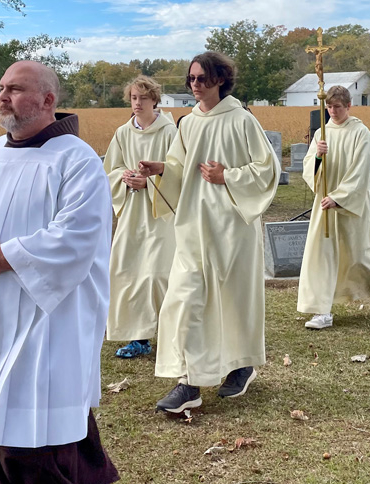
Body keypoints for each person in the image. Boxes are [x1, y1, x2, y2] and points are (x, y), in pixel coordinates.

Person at [0, 61, 118, 484]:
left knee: (39, 438)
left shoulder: (77, 160)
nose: (2, 96)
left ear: (48, 101)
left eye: (15, 88)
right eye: (1, 87)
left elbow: (79, 236)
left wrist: (6, 256)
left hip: (43, 321)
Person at [137, 52, 280, 413]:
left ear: (220, 79)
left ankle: (241, 363)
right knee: (183, 300)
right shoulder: (188, 124)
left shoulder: (242, 120)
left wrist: (227, 176)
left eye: (201, 78)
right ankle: (190, 382)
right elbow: (179, 167)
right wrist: (160, 168)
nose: (195, 85)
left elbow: (267, 170)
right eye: (191, 79)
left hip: (231, 226)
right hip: (193, 226)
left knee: (232, 300)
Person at [297, 85, 370, 329]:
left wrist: (339, 198)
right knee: (321, 257)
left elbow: (361, 171)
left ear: (348, 106)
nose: (332, 111)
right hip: (324, 205)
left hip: (350, 205)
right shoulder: (321, 134)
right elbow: (309, 168)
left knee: (358, 256)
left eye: (337, 106)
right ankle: (322, 311)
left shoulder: (361, 133)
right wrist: (318, 156)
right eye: (329, 107)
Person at [103, 75, 177, 359]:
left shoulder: (169, 132)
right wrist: (123, 177)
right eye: (133, 98)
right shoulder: (123, 133)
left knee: (159, 273)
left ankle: (170, 332)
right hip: (132, 212)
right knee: (127, 271)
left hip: (161, 214)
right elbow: (111, 167)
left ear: (154, 100)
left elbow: (178, 172)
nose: (137, 103)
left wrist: (151, 183)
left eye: (143, 98)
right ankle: (138, 337)